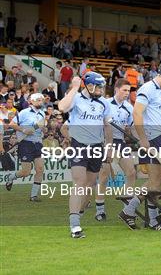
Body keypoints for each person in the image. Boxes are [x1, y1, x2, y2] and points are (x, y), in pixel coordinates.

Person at [118, 62, 161, 231]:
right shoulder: (147, 89)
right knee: (156, 180)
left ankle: (147, 218)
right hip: (151, 138)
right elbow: (136, 113)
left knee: (157, 181)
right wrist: (143, 139)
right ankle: (134, 213)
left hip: (159, 138)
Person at [58, 72, 113, 238]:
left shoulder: (104, 103)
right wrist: (75, 87)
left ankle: (78, 216)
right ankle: (74, 226)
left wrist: (109, 147)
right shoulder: (76, 98)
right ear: (89, 86)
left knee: (89, 185)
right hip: (79, 146)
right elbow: (62, 107)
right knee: (79, 182)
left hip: (97, 147)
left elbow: (107, 127)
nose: (102, 90)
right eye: (99, 86)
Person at [93, 78, 136, 222]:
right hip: (105, 142)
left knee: (131, 173)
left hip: (120, 142)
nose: (127, 93)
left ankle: (127, 206)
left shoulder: (129, 108)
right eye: (124, 90)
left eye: (128, 91)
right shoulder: (104, 104)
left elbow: (130, 127)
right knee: (104, 176)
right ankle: (100, 210)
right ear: (116, 90)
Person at [4, 93, 46, 200]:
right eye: (38, 100)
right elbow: (12, 124)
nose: (40, 102)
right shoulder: (24, 112)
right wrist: (24, 130)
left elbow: (41, 128)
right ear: (31, 101)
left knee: (40, 169)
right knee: (26, 172)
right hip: (25, 143)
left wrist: (43, 130)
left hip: (38, 143)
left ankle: (34, 195)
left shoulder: (42, 113)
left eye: (41, 100)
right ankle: (11, 177)